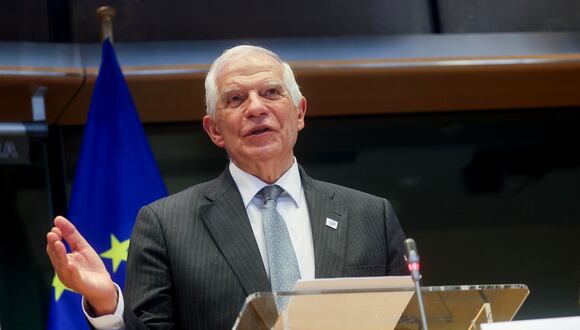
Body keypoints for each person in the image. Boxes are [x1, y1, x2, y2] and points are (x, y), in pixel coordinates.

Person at [46, 45, 408, 329]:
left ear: (299, 112)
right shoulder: (165, 225)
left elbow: (410, 320)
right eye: (235, 99)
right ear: (214, 130)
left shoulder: (371, 215)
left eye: (271, 92)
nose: (255, 108)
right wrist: (108, 304)